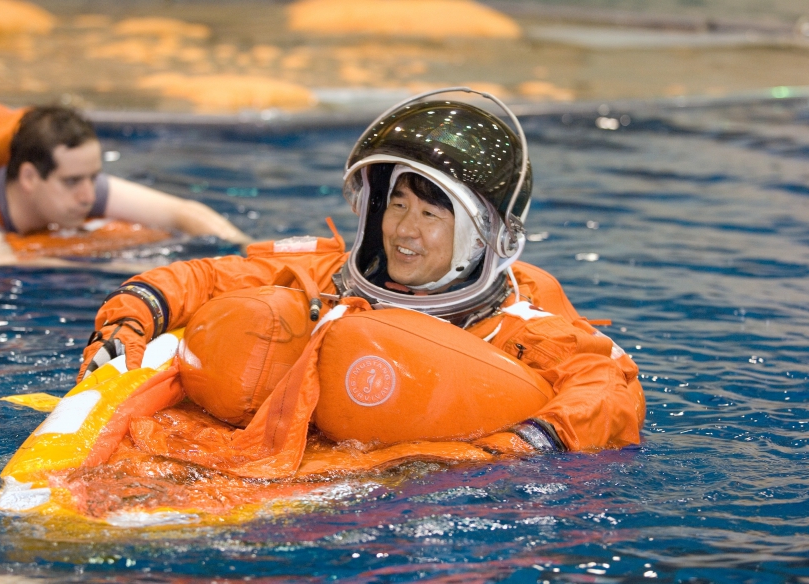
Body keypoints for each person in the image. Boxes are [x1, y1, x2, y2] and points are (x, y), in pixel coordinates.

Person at [78, 88, 645, 456]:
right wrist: (126, 324)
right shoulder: (328, 274)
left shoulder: (516, 321)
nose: (404, 230)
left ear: (479, 237)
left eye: (430, 215)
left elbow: (609, 387)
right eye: (397, 204)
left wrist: (522, 446)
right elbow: (198, 278)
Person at [0, 74, 250, 265]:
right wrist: (115, 269)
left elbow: (182, 212)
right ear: (29, 177)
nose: (87, 195)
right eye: (72, 182)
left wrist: (246, 245)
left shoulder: (73, 182)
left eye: (93, 178)